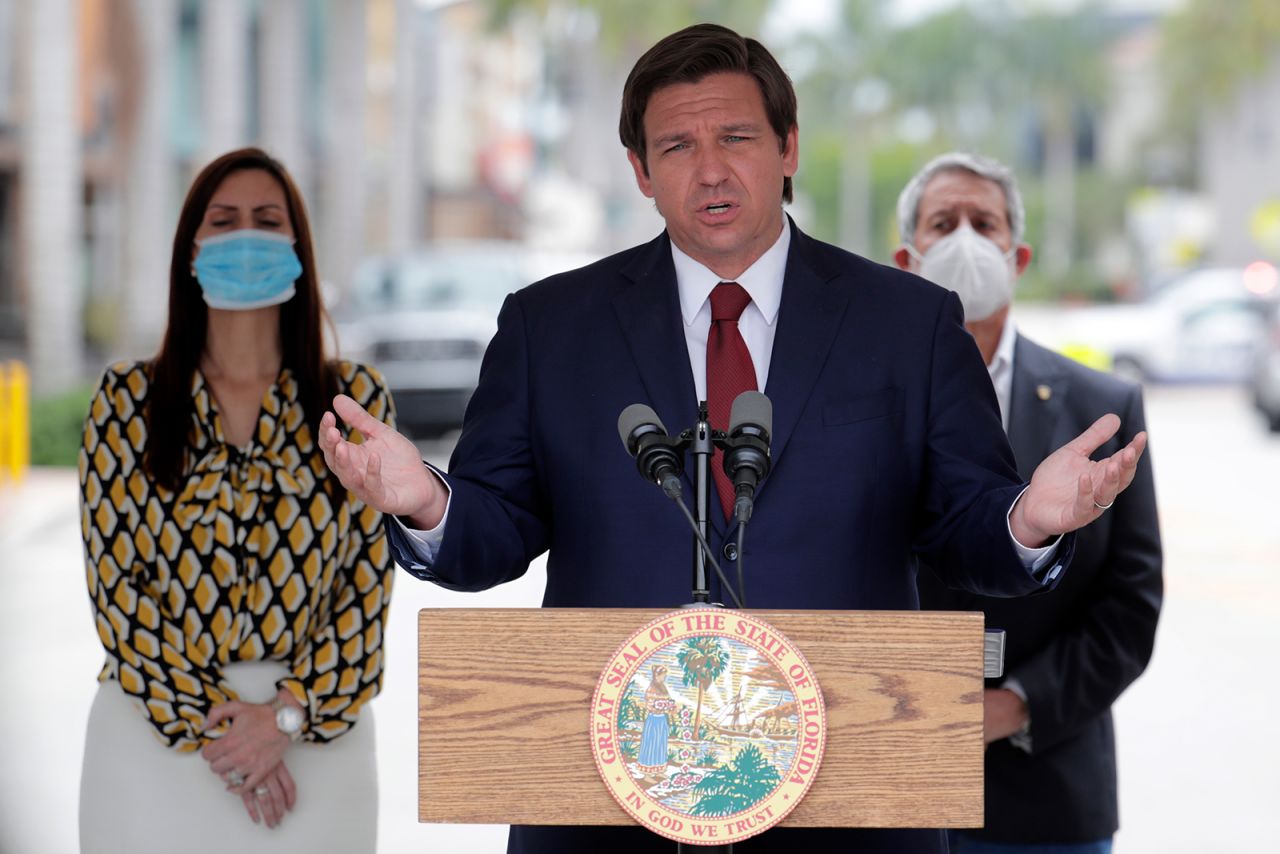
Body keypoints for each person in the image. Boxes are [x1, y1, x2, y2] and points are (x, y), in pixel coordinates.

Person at [319, 24, 1147, 854]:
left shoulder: (908, 323)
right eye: (676, 145)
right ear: (641, 171)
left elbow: (968, 532)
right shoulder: (551, 327)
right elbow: (491, 535)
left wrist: (1030, 519)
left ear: (787, 147)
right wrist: (426, 500)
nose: (710, 168)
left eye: (736, 137)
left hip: (849, 802)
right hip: (608, 802)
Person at [76, 147, 396, 853]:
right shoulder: (127, 401)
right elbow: (118, 593)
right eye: (223, 221)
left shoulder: (355, 404)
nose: (245, 236)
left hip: (317, 748)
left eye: (266, 219)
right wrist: (226, 732)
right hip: (152, 742)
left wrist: (282, 720)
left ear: (297, 248)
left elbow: (365, 591)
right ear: (191, 250)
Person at [893, 152, 1163, 854]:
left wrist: (1014, 706)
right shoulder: (853, 403)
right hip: (888, 779)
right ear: (905, 257)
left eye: (984, 224)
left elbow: (1130, 604)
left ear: (1018, 255)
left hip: (1048, 794)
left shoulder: (1102, 410)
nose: (964, 240)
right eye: (943, 223)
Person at [637, 664, 674, 774]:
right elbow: (649, 704)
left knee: (660, 744)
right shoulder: (651, 688)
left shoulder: (663, 688)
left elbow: (668, 701)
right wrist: (657, 706)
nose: (664, 678)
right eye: (662, 676)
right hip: (653, 720)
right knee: (651, 744)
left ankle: (658, 769)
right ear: (656, 676)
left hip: (662, 719)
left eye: (664, 676)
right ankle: (647, 772)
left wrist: (670, 706)